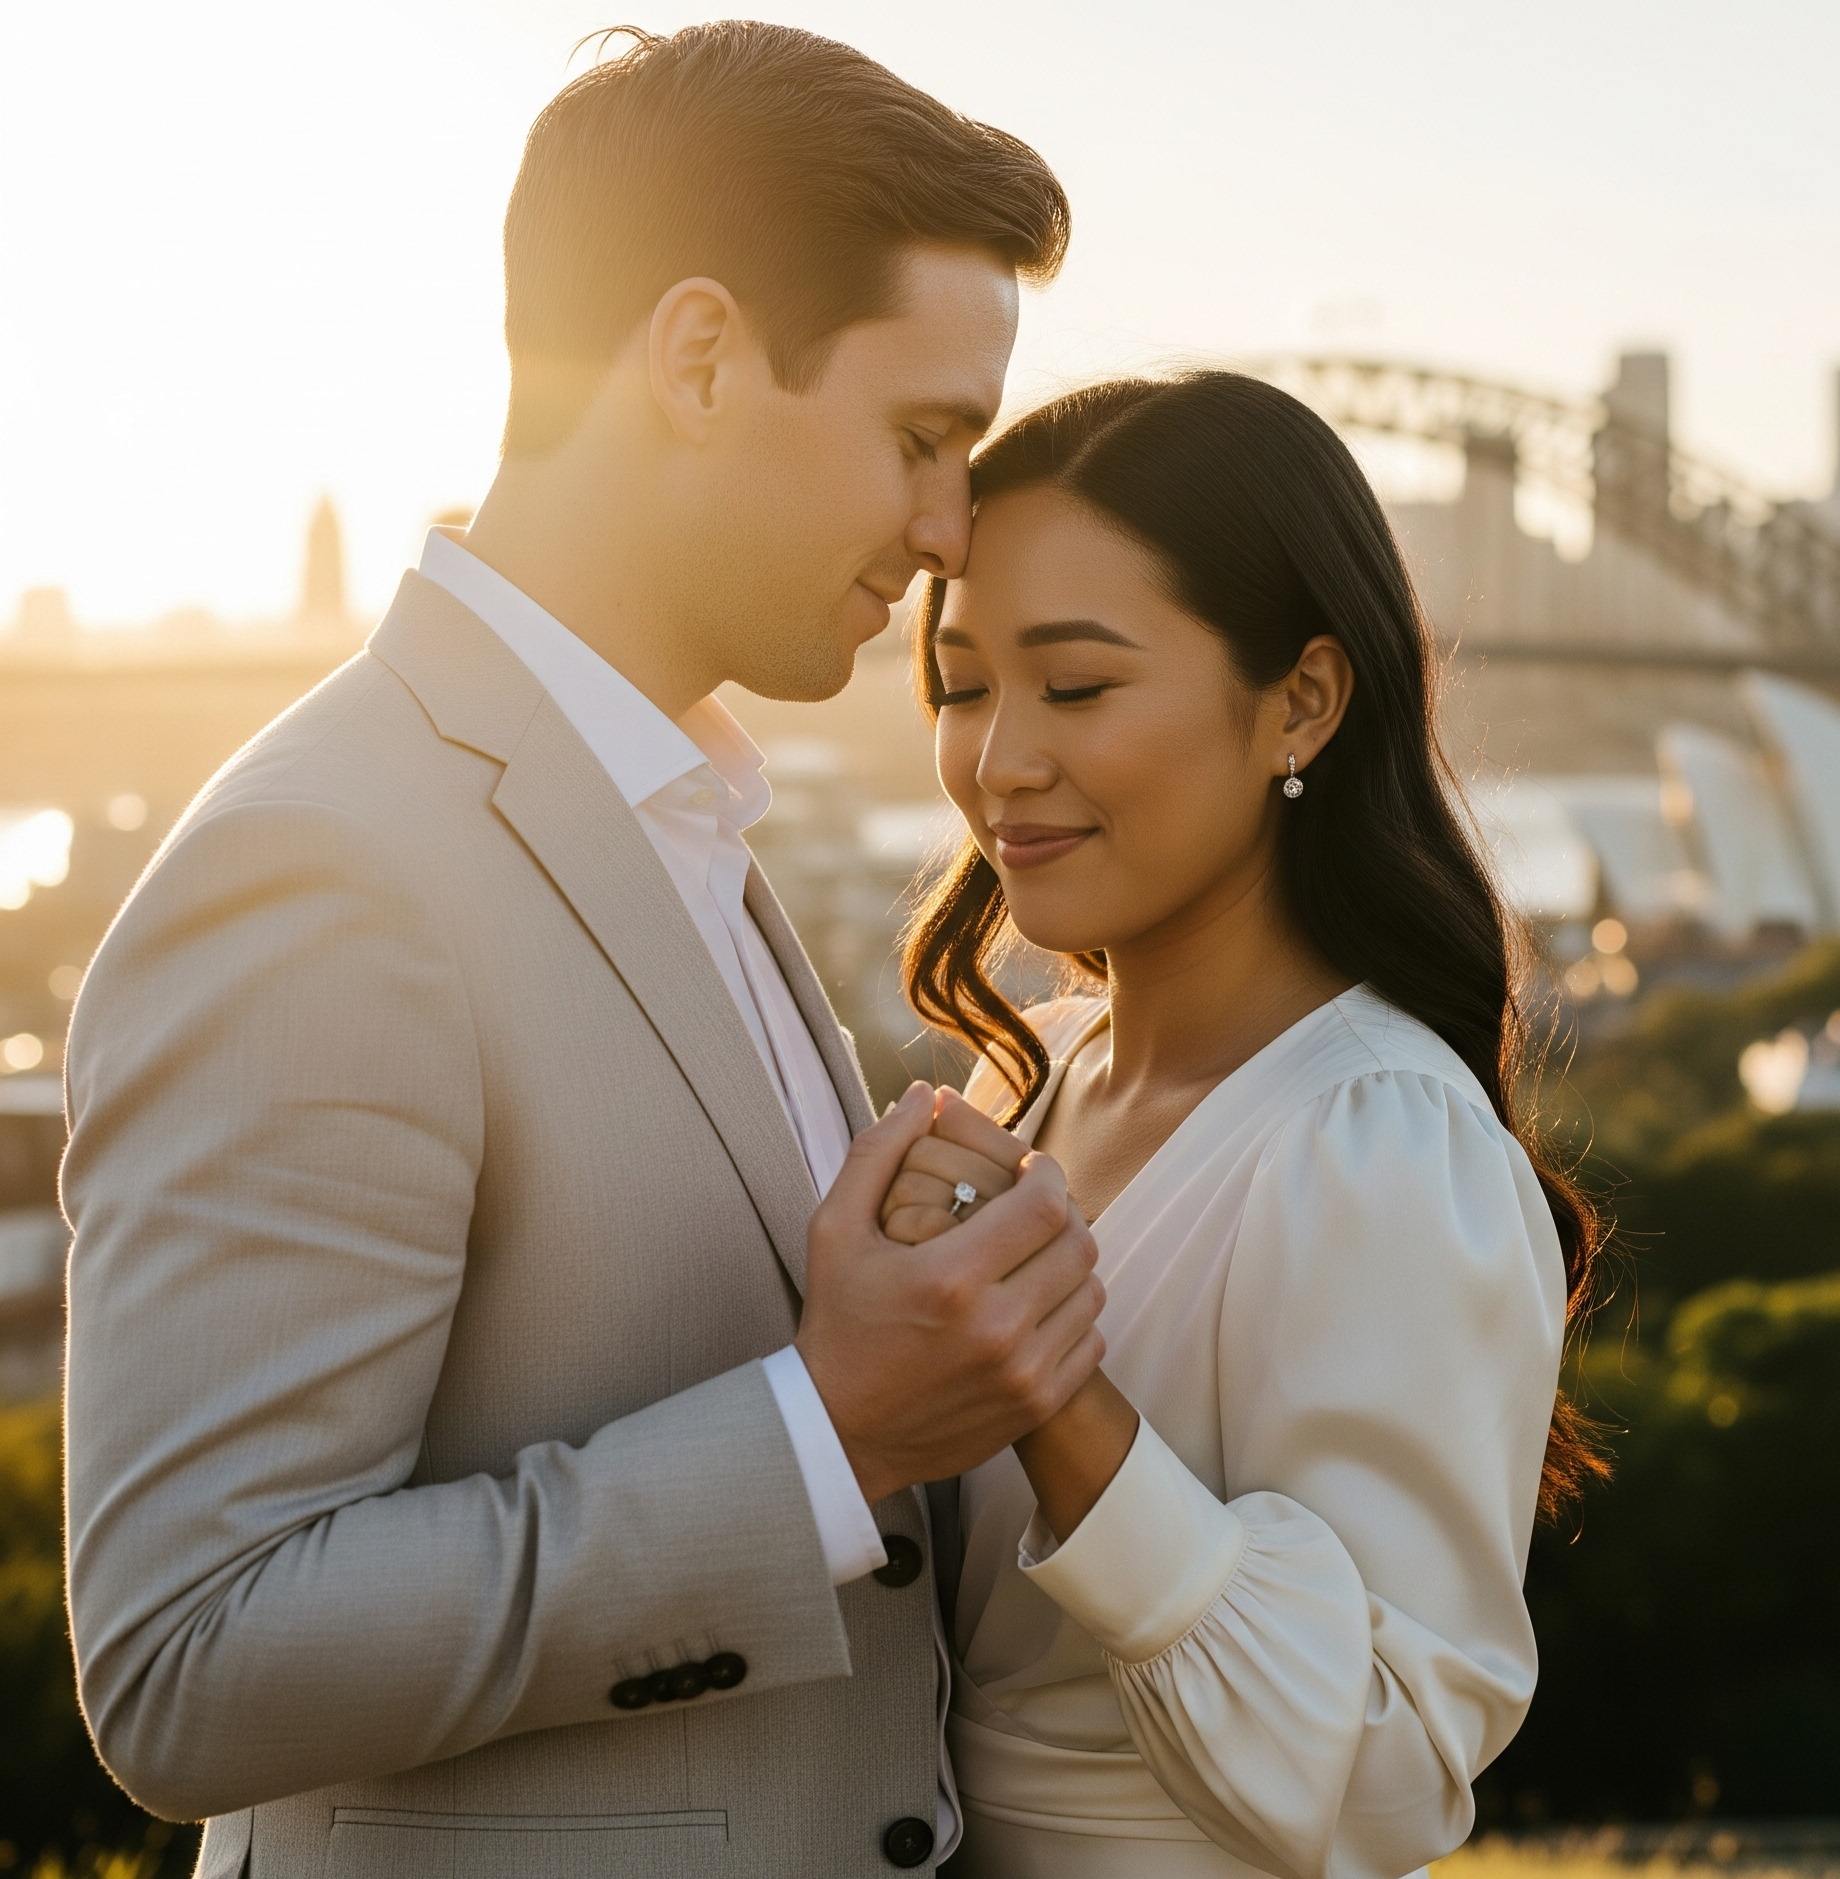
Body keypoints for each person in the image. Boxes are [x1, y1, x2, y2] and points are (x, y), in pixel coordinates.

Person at [60, 26, 1106, 1879]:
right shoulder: (329, 864)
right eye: (919, 441)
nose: (948, 536)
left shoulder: (674, 815)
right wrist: (824, 1434)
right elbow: (189, 1657)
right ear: (697, 357)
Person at [878, 373, 1607, 1877]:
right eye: (959, 684)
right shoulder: (1041, 1083)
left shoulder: (1377, 1141)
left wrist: (1050, 1394)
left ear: (1301, 700)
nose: (997, 759)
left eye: (1073, 686)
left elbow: (1389, 1773)